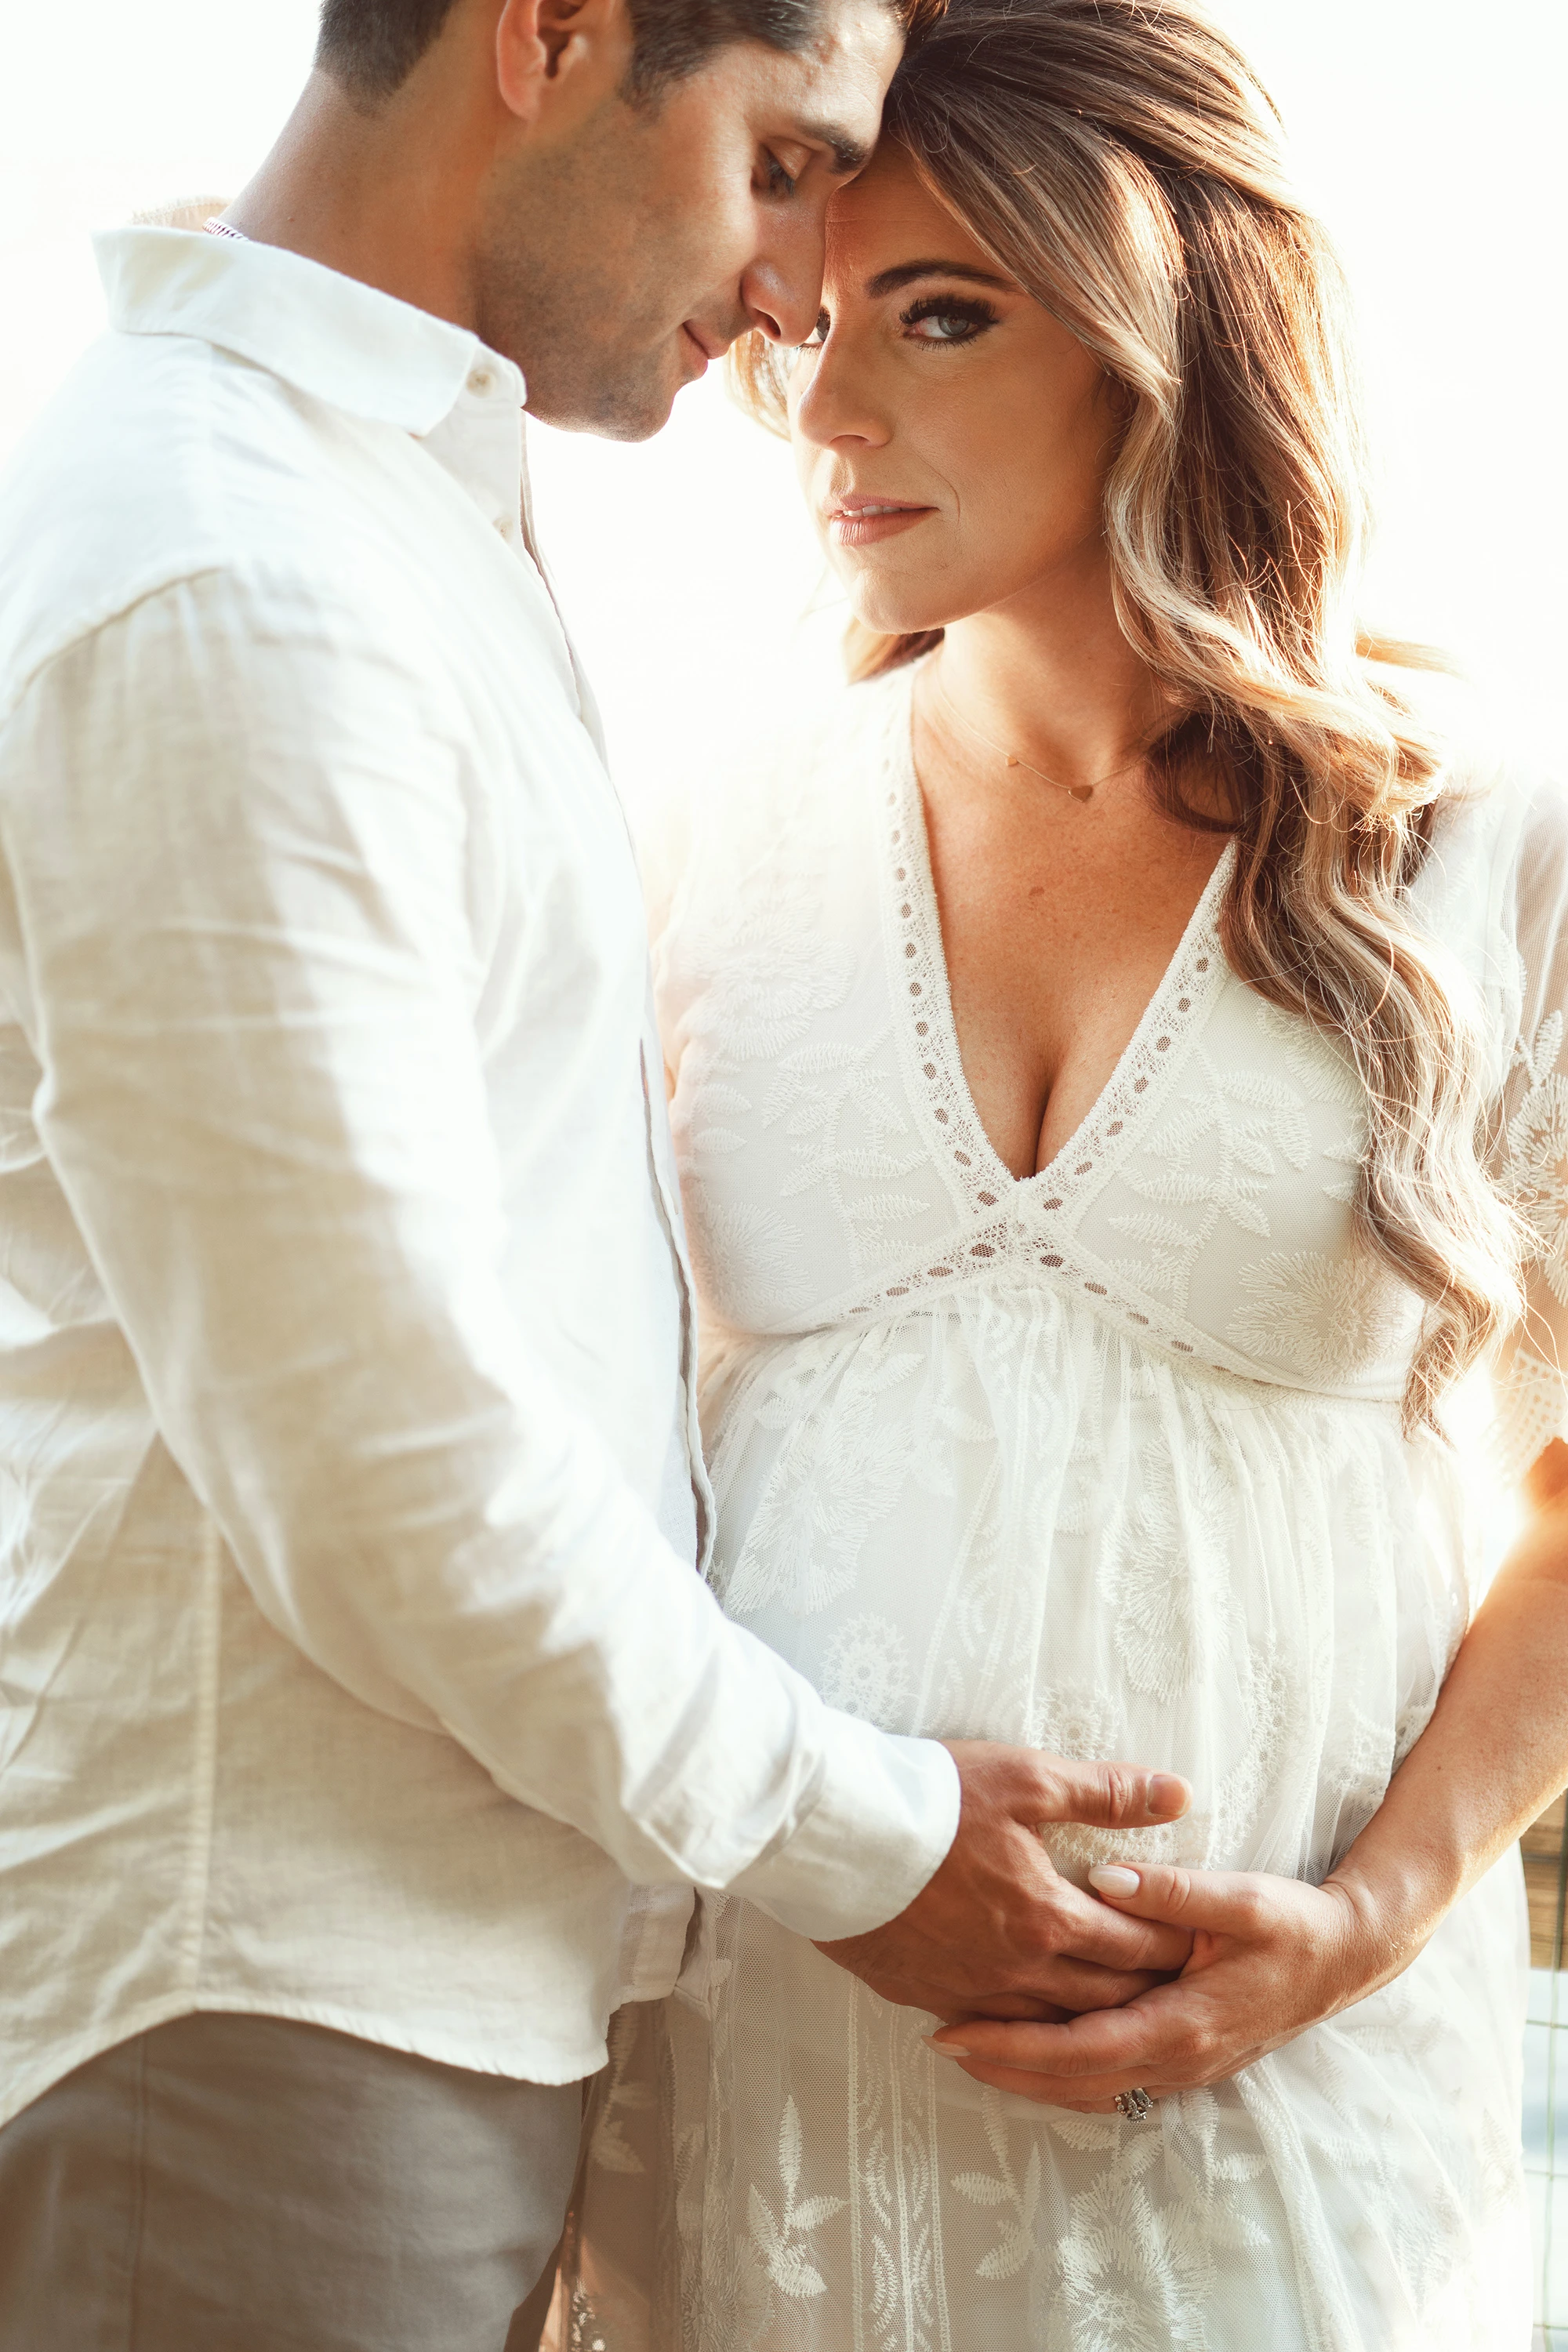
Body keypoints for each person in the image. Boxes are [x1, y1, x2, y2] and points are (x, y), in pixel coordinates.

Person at [0, 0, 1203, 2344]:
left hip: (411, 1996)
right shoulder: (243, 571)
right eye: (780, 164)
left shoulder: (356, 513)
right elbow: (377, 1457)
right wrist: (869, 1843)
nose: (790, 294)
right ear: (546, 33)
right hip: (274, 2005)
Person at [554, 1, 1568, 2343]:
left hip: (1281, 2146)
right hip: (757, 2127)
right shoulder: (695, 843)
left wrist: (1383, 1912)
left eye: (941, 313)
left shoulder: (1482, 852)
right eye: (806, 323)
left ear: (1161, 328)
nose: (825, 410)